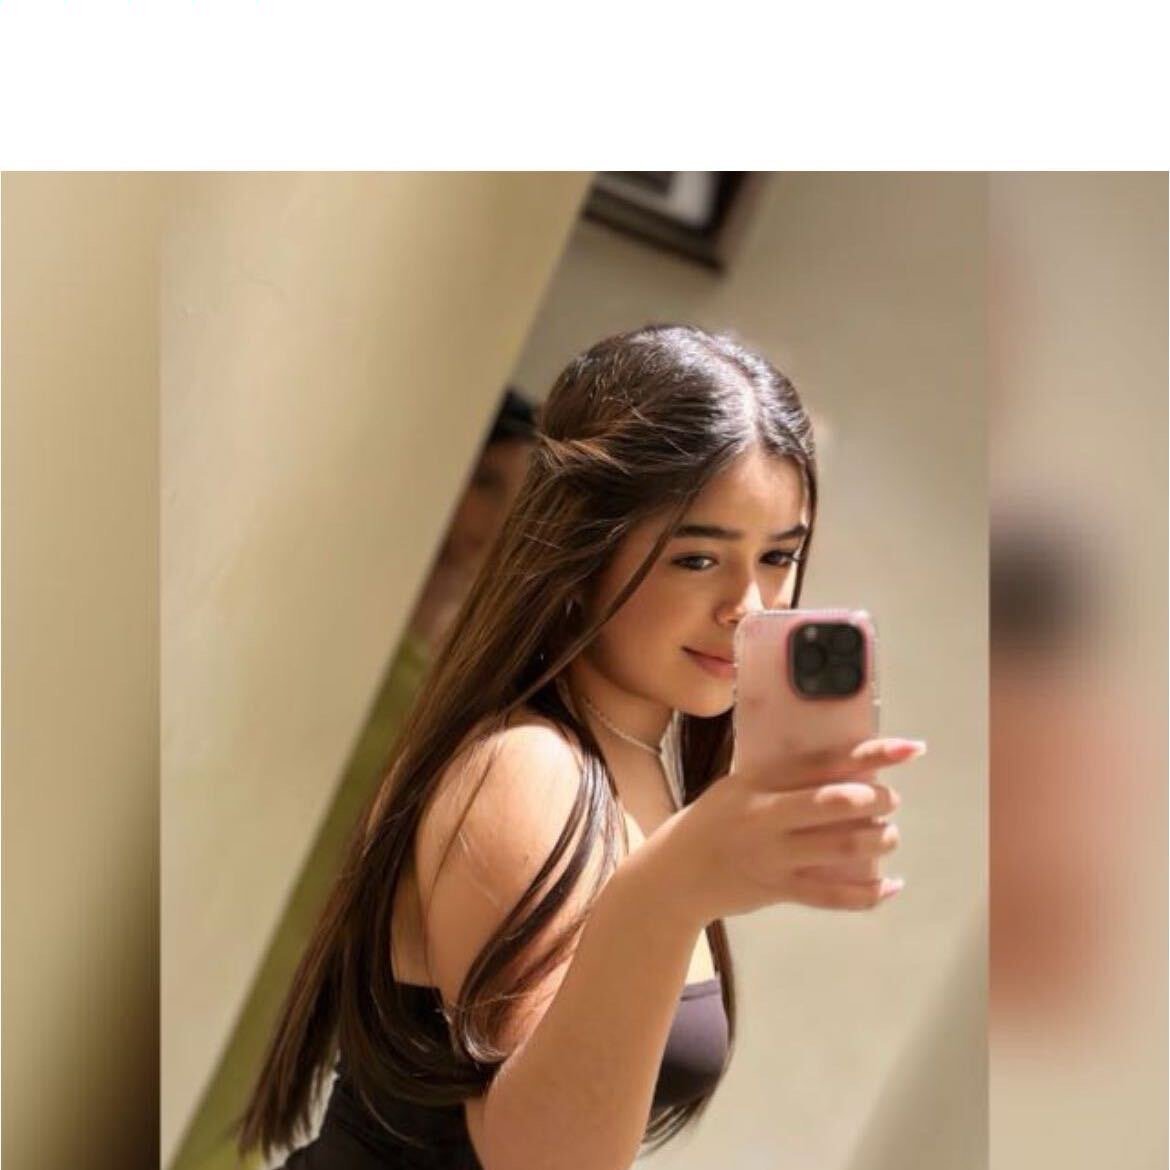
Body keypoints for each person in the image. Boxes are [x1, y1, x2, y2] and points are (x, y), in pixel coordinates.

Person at [236, 324, 925, 1170]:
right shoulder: (525, 769)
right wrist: (670, 891)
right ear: (582, 546)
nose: (749, 604)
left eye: (779, 556)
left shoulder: (633, 762)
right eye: (697, 558)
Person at [172, 390, 536, 1170]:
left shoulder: (470, 669)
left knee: (255, 1067)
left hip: (339, 897)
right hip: (250, 856)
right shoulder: (346, 612)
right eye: (485, 483)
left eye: (512, 500)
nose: (491, 517)